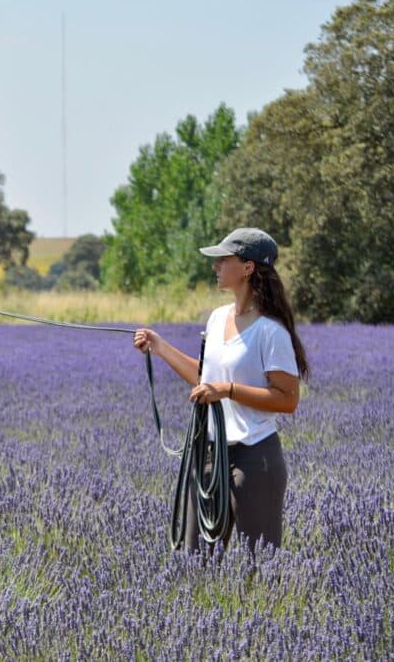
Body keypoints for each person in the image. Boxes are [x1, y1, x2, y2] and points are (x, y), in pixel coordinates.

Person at [134, 228, 309, 553]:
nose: (215, 266)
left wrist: (227, 390)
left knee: (258, 566)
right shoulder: (216, 319)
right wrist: (160, 348)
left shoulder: (271, 333)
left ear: (248, 268)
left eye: (223, 259)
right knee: (192, 556)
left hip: (254, 458)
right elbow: (206, 379)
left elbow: (288, 399)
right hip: (210, 454)